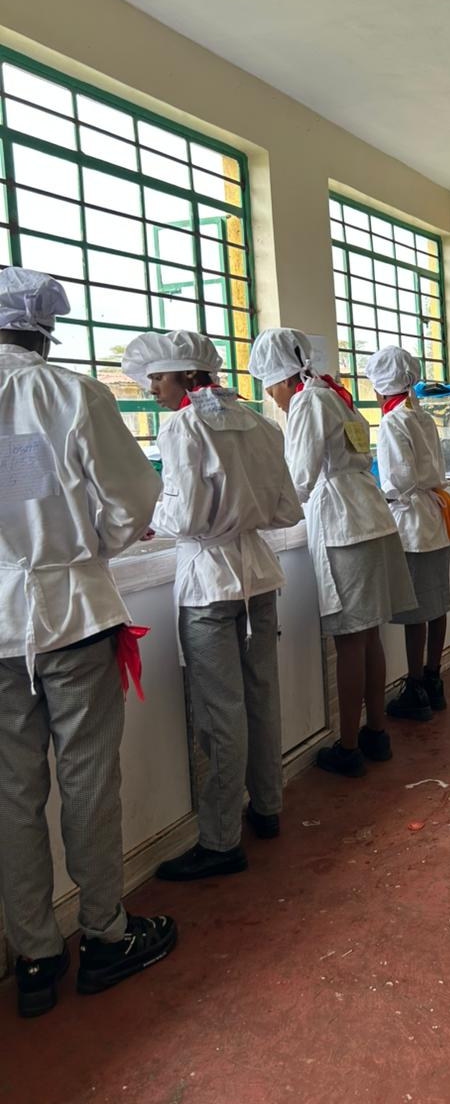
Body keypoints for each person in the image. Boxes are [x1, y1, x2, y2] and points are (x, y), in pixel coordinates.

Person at [0, 267, 177, 1019]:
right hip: (72, 614)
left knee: (11, 795)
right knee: (88, 781)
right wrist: (89, 549)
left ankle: (35, 957)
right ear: (44, 332)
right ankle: (105, 934)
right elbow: (134, 496)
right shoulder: (71, 393)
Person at [122, 330, 304, 882]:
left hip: (208, 583)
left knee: (219, 713)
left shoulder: (183, 425)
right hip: (259, 575)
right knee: (261, 697)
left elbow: (185, 516)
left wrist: (152, 517)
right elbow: (286, 508)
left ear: (185, 375)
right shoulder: (258, 422)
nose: (152, 388)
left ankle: (221, 840)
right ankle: (267, 807)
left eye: (158, 377)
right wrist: (239, 515)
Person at [249, 328, 416, 778]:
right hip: (371, 516)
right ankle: (376, 734)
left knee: (350, 640)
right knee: (370, 636)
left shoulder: (308, 402)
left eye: (270, 388)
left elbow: (299, 477)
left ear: (283, 378)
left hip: (345, 525)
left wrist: (262, 516)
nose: (272, 399)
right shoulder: (337, 396)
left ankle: (349, 747)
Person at [365, 346, 450, 718]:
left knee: (416, 610)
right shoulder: (422, 416)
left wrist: (378, 494)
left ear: (379, 387)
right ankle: (434, 679)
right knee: (437, 604)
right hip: (434, 514)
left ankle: (416, 686)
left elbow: (398, 479)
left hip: (411, 521)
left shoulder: (392, 421)